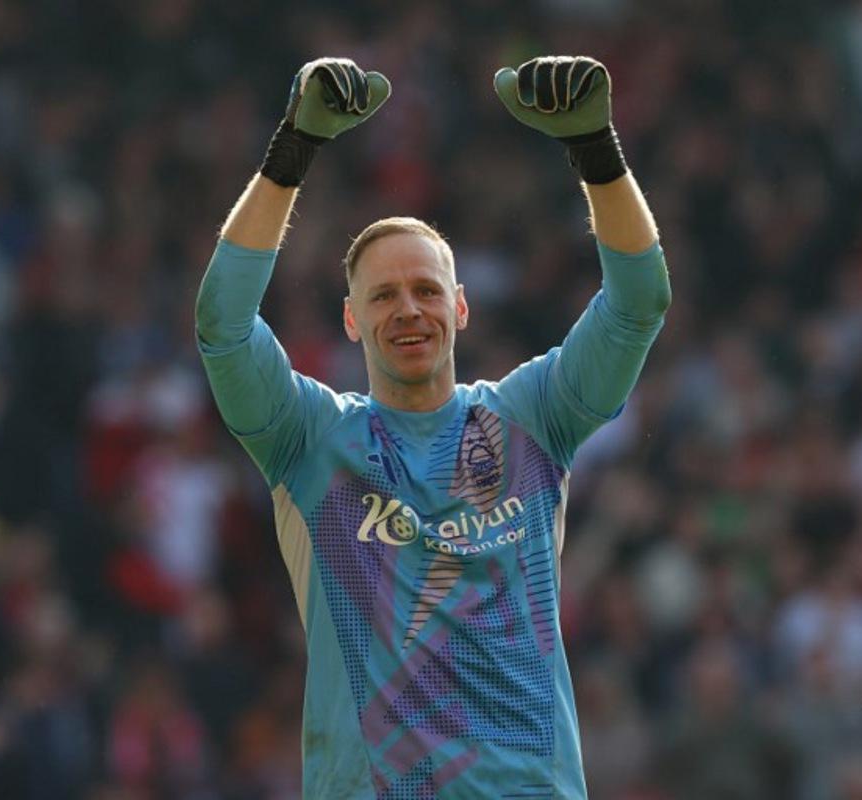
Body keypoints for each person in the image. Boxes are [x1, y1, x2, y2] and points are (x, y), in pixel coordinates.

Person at [195, 55, 671, 798]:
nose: (408, 309)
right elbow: (222, 326)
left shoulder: (532, 418)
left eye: (426, 289)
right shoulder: (309, 440)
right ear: (351, 320)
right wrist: (292, 152)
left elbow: (640, 303)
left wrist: (596, 152)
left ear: (461, 307)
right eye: (383, 296)